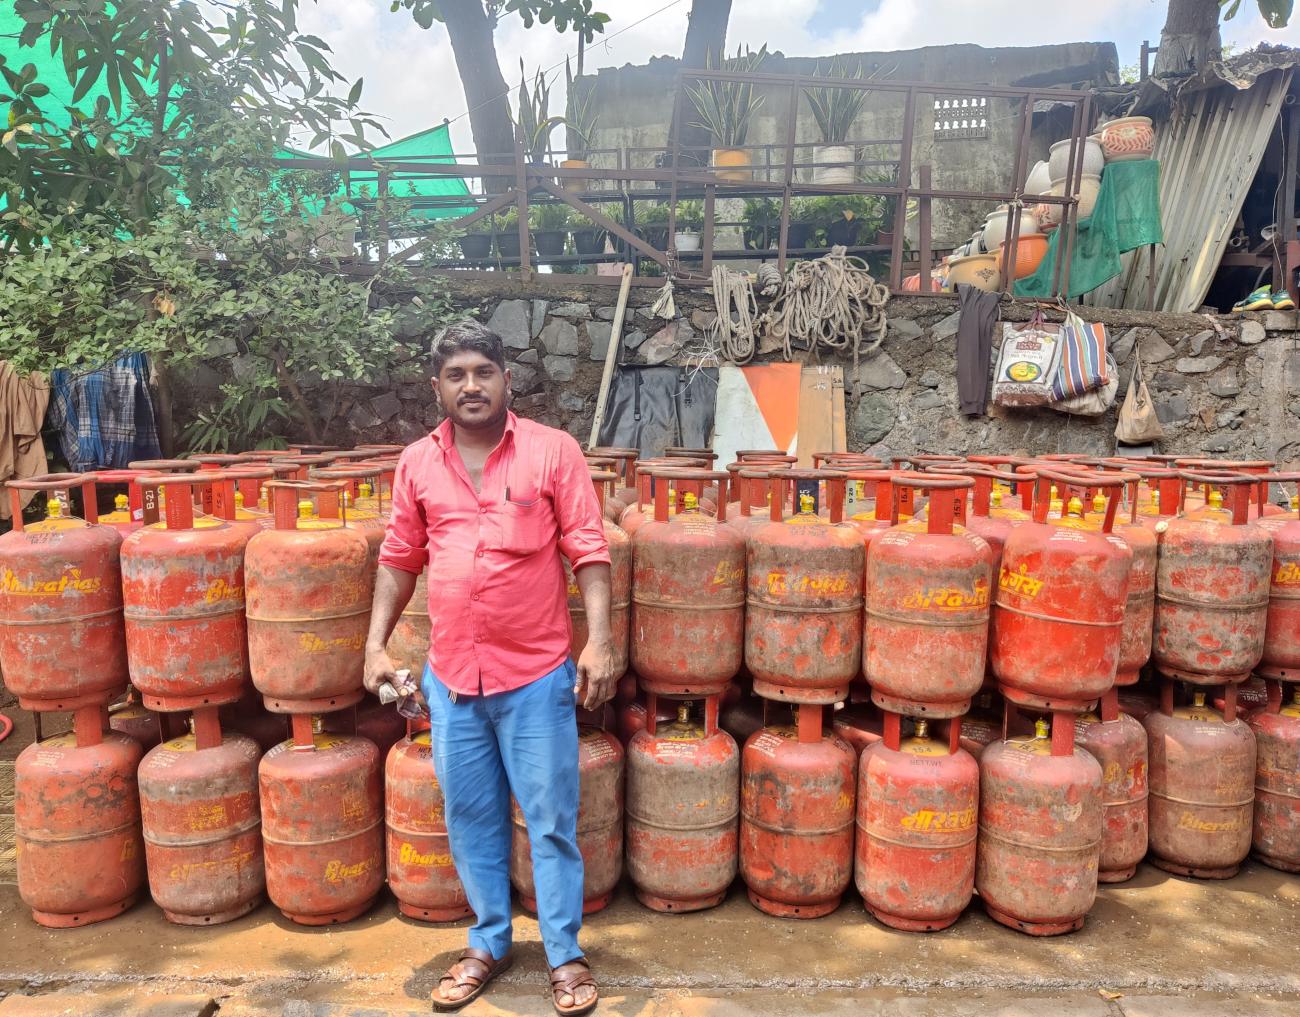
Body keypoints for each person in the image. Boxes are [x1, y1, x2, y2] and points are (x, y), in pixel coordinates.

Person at [363, 321, 616, 1016]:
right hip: (452, 681)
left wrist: (600, 639)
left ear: (507, 378)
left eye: (483, 371)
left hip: (535, 678)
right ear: (437, 386)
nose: (470, 385)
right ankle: (488, 942)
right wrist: (374, 643)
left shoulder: (552, 452)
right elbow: (399, 557)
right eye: (456, 375)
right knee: (470, 816)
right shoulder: (417, 462)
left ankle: (564, 954)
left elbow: (588, 548)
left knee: (550, 819)